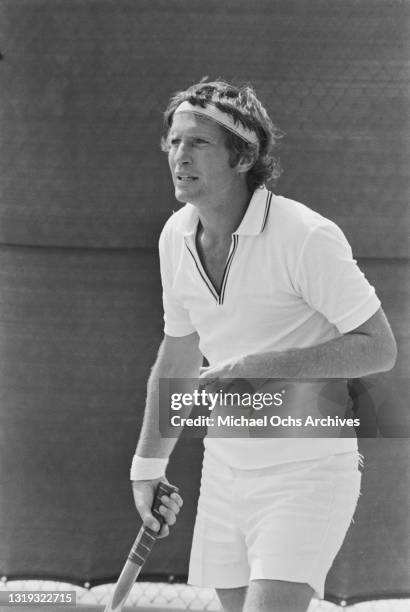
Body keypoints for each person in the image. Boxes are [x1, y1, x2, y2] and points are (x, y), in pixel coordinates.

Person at [130, 79, 397, 612]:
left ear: (242, 155)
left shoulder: (305, 235)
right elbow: (179, 354)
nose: (179, 156)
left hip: (309, 471)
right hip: (224, 469)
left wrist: (263, 366)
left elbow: (378, 347)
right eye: (174, 142)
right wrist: (147, 466)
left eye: (199, 143)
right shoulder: (174, 237)